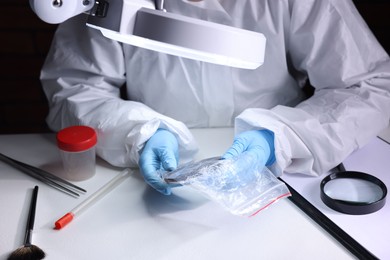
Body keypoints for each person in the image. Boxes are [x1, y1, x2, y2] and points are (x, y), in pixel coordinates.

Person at [40, 0, 390, 195]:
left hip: (286, 172)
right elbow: (74, 86)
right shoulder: (108, 4)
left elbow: (369, 85)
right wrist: (140, 133)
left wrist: (281, 139)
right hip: (157, 173)